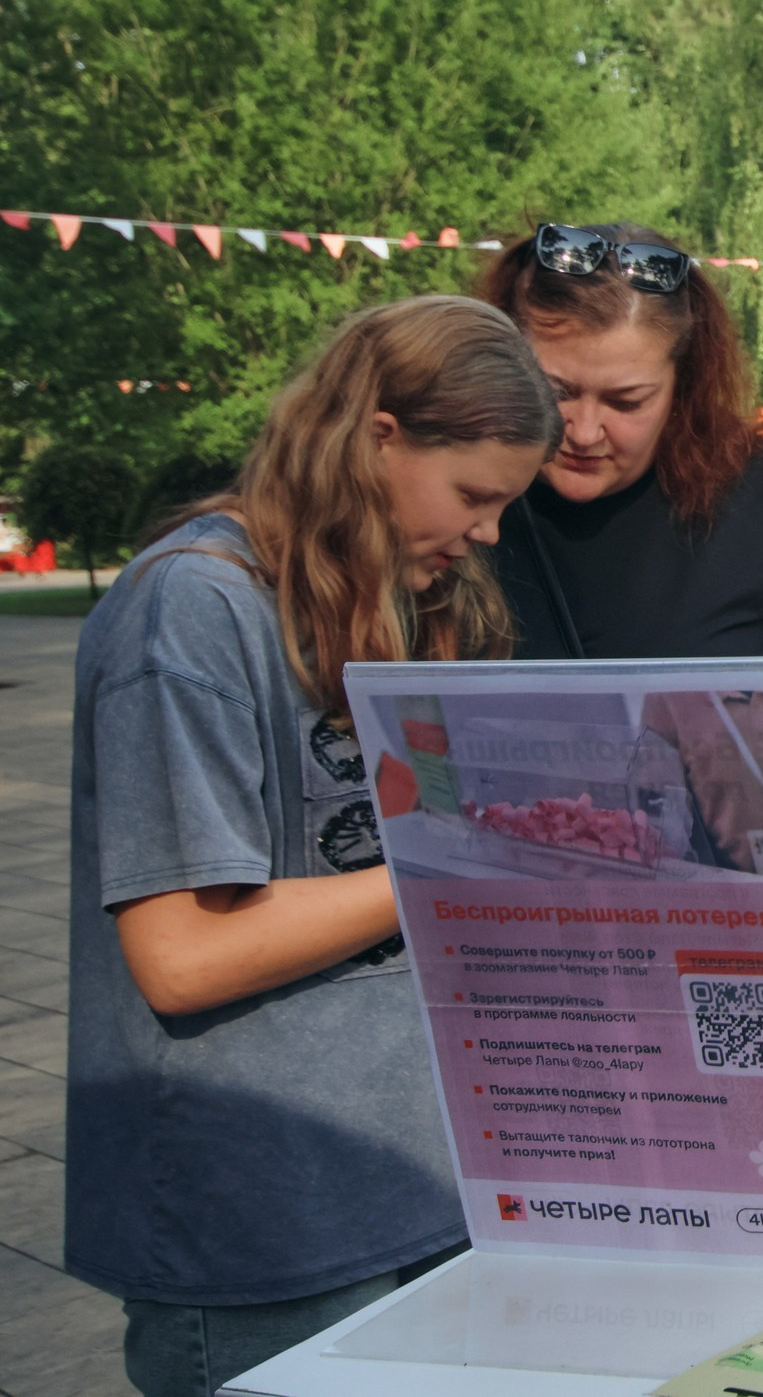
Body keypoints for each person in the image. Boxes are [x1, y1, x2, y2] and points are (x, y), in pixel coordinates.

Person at [66, 297, 562, 1397]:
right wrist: (468, 857)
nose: (487, 532)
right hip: (260, 1230)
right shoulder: (191, 609)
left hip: (427, 1183)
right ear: (377, 437)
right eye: (475, 496)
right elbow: (183, 955)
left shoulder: (405, 597)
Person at [478, 222, 763, 981]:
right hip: (532, 969)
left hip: (751, 955)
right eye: (554, 392)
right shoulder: (463, 511)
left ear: (684, 382)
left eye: (626, 399)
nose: (582, 429)